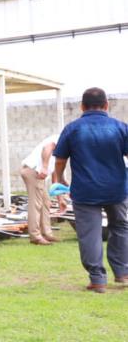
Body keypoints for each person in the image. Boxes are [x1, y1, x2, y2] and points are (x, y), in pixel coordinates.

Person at [53, 87, 128, 293]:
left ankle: (98, 280)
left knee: (90, 234)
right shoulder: (121, 127)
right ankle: (122, 272)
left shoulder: (72, 129)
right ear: (106, 105)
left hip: (85, 191)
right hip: (117, 189)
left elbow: (60, 160)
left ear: (82, 106)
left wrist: (60, 180)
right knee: (120, 228)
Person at [21, 134, 66, 245]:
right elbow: (47, 148)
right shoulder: (62, 138)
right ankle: (35, 236)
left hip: (35, 172)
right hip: (33, 171)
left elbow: (55, 176)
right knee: (36, 203)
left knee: (46, 202)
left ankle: (46, 233)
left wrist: (60, 199)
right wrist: (44, 167)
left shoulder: (62, 149)